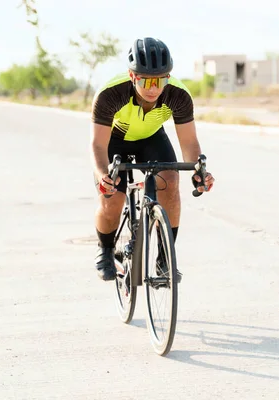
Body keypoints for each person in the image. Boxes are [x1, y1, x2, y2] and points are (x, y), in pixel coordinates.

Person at [89, 37, 215, 282]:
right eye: (145, 80)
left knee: (170, 181)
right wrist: (102, 175)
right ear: (132, 76)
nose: (153, 87)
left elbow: (189, 143)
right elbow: (97, 144)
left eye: (160, 80)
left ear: (168, 77)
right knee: (112, 199)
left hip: (151, 137)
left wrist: (198, 172)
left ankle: (165, 258)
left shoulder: (179, 95)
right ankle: (104, 249)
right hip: (114, 141)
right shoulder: (110, 94)